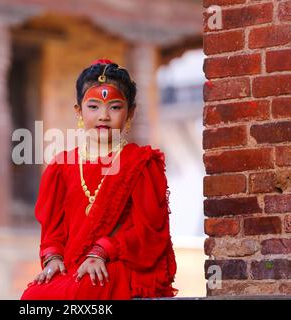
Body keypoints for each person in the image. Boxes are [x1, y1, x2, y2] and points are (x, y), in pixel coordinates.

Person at [20, 59, 178, 300]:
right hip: (72, 266)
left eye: (114, 107)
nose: (103, 116)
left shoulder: (141, 163)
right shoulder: (62, 166)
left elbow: (149, 230)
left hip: (117, 262)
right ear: (78, 111)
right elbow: (53, 231)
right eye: (93, 106)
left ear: (130, 112)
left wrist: (102, 251)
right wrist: (53, 259)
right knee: (33, 297)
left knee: (86, 289)